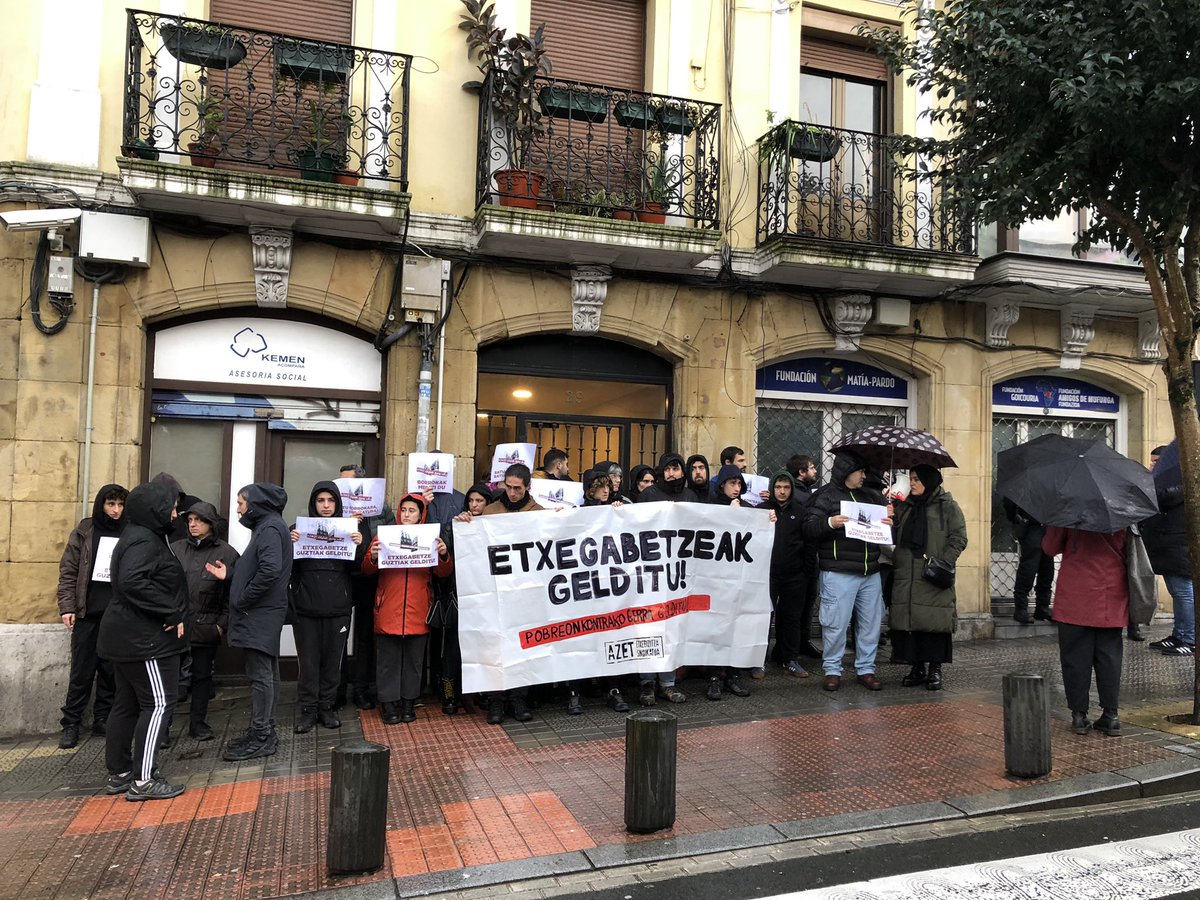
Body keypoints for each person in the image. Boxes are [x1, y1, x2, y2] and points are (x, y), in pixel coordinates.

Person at [97, 482, 188, 801]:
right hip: (145, 639)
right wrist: (172, 611)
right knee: (159, 703)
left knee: (126, 703)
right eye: (171, 507)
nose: (176, 513)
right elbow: (133, 582)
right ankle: (143, 779)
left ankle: (121, 773)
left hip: (127, 636)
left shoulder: (138, 535)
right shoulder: (144, 540)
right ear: (155, 509)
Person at [456, 463, 543, 723]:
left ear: (528, 487)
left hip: (524, 594)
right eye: (509, 487)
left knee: (522, 647)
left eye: (518, 488)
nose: (513, 493)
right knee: (494, 646)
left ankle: (518, 699)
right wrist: (466, 523)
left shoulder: (539, 513)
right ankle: (496, 701)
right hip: (494, 591)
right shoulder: (490, 512)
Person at [803, 451, 893, 692]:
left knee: (871, 624)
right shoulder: (825, 496)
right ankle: (832, 669)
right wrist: (830, 523)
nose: (864, 476)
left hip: (870, 572)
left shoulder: (872, 497)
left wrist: (890, 520)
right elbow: (809, 528)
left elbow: (886, 532)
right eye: (860, 471)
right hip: (838, 572)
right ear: (847, 471)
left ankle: (866, 668)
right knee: (835, 624)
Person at [217, 483, 292, 762]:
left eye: (240, 503)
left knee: (261, 675)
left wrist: (243, 599)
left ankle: (262, 735)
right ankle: (263, 730)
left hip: (260, 613)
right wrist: (231, 575)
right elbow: (257, 565)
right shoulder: (267, 526)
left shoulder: (270, 528)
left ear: (255, 504)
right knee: (266, 673)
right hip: (262, 612)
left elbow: (270, 570)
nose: (237, 509)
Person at [364, 492, 453, 724]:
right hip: (388, 609)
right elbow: (366, 570)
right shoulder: (383, 537)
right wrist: (372, 557)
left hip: (418, 609)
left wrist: (444, 555)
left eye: (412, 511)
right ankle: (389, 704)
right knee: (388, 661)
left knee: (414, 661)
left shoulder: (431, 538)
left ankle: (408, 703)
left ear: (421, 514)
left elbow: (443, 573)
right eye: (403, 510)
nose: (406, 515)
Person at [55, 483, 127, 750]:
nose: (116, 510)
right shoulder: (85, 531)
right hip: (88, 613)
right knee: (82, 672)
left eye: (120, 505)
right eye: (111, 504)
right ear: (101, 505)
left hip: (117, 614)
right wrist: (67, 607)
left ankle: (102, 718)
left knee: (110, 670)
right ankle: (71, 723)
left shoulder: (129, 532)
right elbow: (69, 571)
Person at [290, 481, 363, 733]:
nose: (326, 506)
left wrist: (359, 544)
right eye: (321, 501)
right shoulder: (297, 531)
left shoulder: (349, 531)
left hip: (338, 608)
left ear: (337, 504)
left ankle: (327, 708)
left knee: (333, 663)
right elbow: (286, 568)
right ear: (313, 503)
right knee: (309, 663)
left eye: (330, 501)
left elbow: (360, 570)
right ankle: (308, 711)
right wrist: (290, 545)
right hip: (306, 609)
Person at [1043, 525, 1128, 735]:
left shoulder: (1068, 513)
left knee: (1075, 658)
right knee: (1109, 658)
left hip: (1075, 595)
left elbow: (1049, 548)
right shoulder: (1122, 511)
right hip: (1111, 593)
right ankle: (1111, 715)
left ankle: (1079, 716)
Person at [890, 466, 968, 691]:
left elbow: (959, 537)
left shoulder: (948, 507)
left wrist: (943, 562)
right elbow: (896, 537)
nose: (912, 483)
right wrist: (890, 520)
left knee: (933, 623)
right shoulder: (904, 507)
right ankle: (916, 667)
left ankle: (935, 668)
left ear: (929, 480)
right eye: (911, 479)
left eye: (916, 479)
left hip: (932, 575)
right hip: (908, 573)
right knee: (911, 623)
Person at [171, 501, 239, 741]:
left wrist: (221, 625)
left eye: (198, 520)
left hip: (206, 625)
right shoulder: (176, 549)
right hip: (175, 625)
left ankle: (198, 724)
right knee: (170, 677)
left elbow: (234, 592)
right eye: (190, 520)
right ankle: (163, 729)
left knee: (202, 677)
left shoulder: (226, 552)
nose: (193, 525)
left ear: (210, 523)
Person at [337, 464, 396, 712]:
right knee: (338, 635)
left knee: (364, 636)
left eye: (346, 484)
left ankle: (361, 688)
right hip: (340, 576)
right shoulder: (335, 507)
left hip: (368, 578)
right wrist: (345, 524)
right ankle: (336, 690)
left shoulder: (381, 507)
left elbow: (392, 537)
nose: (342, 490)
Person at [704, 464, 755, 699]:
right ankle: (714, 677)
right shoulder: (711, 508)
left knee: (737, 627)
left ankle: (733, 674)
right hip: (716, 579)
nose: (736, 488)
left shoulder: (748, 508)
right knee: (717, 629)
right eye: (732, 484)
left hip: (739, 579)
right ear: (722, 485)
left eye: (739, 484)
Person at [1144, 446, 1194, 655]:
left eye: (1157, 462)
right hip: (1167, 548)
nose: (1152, 465)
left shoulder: (1183, 481)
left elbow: (1164, 498)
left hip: (1178, 547)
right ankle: (1179, 634)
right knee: (1177, 592)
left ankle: (1190, 639)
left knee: (1184, 593)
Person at [766, 470, 811, 678]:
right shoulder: (763, 510)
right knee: (764, 616)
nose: (782, 492)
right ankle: (758, 660)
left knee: (791, 618)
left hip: (794, 574)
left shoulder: (801, 512)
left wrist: (807, 571)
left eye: (786, 487)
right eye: (778, 487)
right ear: (772, 488)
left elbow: (809, 542)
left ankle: (790, 658)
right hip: (768, 574)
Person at [1003, 498, 1054, 625]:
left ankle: (1042, 607)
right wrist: (1016, 518)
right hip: (1032, 525)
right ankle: (1021, 608)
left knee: (1047, 568)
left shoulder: (1050, 481)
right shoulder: (1029, 482)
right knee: (1029, 568)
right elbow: (1009, 501)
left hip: (1047, 526)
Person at [638, 453, 703, 503]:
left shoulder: (690, 496)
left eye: (675, 469)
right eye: (667, 469)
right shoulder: (648, 495)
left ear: (683, 472)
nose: (671, 474)